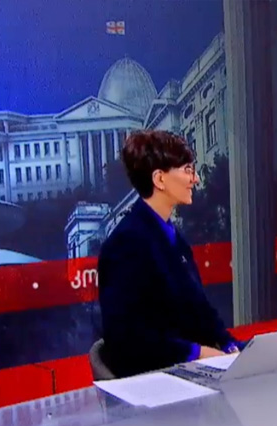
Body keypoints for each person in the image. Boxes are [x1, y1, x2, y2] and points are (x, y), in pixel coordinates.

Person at [97, 130, 242, 378]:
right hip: (157, 381)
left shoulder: (173, 238)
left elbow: (201, 311)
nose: (195, 179)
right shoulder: (125, 244)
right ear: (159, 179)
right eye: (187, 170)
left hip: (192, 371)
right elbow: (128, 339)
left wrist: (230, 346)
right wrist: (198, 353)